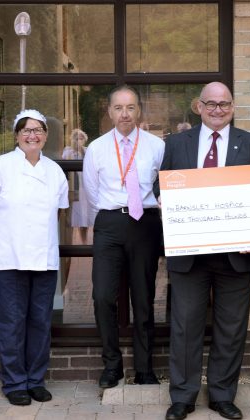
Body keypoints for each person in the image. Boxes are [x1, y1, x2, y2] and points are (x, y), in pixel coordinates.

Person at [157, 82, 250, 420]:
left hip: (238, 253)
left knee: (231, 327)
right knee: (185, 326)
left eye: (225, 104)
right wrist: (164, 199)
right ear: (198, 106)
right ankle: (183, 397)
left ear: (233, 107)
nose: (218, 110)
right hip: (189, 253)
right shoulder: (176, 144)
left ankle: (222, 395)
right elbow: (158, 184)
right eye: (211, 104)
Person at [0, 109, 68, 406]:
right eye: (26, 130)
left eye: (38, 130)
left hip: (43, 259)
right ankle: (14, 382)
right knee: (12, 321)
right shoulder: (1, 167)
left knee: (40, 321)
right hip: (9, 259)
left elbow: (58, 214)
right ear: (16, 135)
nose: (32, 135)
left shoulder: (54, 171)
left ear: (46, 135)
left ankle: (35, 380)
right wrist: (3, 238)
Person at [83, 85, 165, 388]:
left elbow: (162, 185)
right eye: (118, 108)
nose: (124, 114)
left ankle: (144, 369)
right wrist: (113, 211)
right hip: (109, 223)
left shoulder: (156, 146)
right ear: (109, 112)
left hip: (144, 224)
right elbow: (92, 192)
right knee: (103, 296)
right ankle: (112, 365)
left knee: (143, 298)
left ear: (138, 110)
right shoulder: (97, 147)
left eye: (130, 107)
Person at [62, 128, 90, 243]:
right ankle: (70, 244)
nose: (79, 140)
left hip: (85, 189)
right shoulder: (68, 152)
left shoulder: (87, 151)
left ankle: (84, 243)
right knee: (71, 218)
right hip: (74, 189)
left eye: (81, 138)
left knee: (84, 219)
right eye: (77, 138)